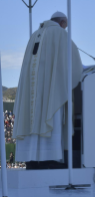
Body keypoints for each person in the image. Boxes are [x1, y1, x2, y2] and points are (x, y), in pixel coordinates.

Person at [12, 11, 83, 169]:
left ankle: (31, 159)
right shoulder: (60, 34)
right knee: (50, 116)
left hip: (31, 92)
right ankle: (49, 158)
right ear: (63, 22)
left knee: (30, 121)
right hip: (51, 89)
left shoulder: (34, 36)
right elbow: (75, 65)